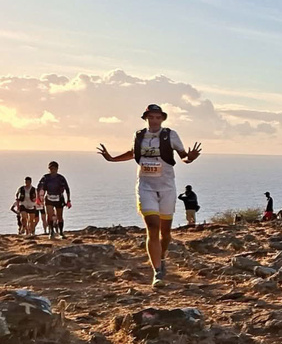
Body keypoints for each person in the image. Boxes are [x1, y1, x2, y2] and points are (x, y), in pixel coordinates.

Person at [97, 104, 202, 287]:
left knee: (166, 233)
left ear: (162, 119)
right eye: (150, 117)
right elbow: (133, 153)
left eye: (157, 117)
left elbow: (183, 156)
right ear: (145, 118)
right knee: (152, 227)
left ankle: (161, 257)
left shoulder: (171, 135)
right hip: (145, 187)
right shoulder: (139, 135)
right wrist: (112, 158)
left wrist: (191, 158)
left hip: (167, 187)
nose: (154, 120)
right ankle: (157, 272)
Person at [37, 161, 71, 239]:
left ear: (57, 169)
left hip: (59, 198)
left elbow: (67, 189)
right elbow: (40, 188)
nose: (52, 170)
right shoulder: (45, 177)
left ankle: (61, 232)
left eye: (54, 168)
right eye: (51, 168)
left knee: (60, 216)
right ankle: (51, 232)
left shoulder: (61, 178)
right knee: (50, 215)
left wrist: (68, 200)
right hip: (49, 198)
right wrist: (39, 198)